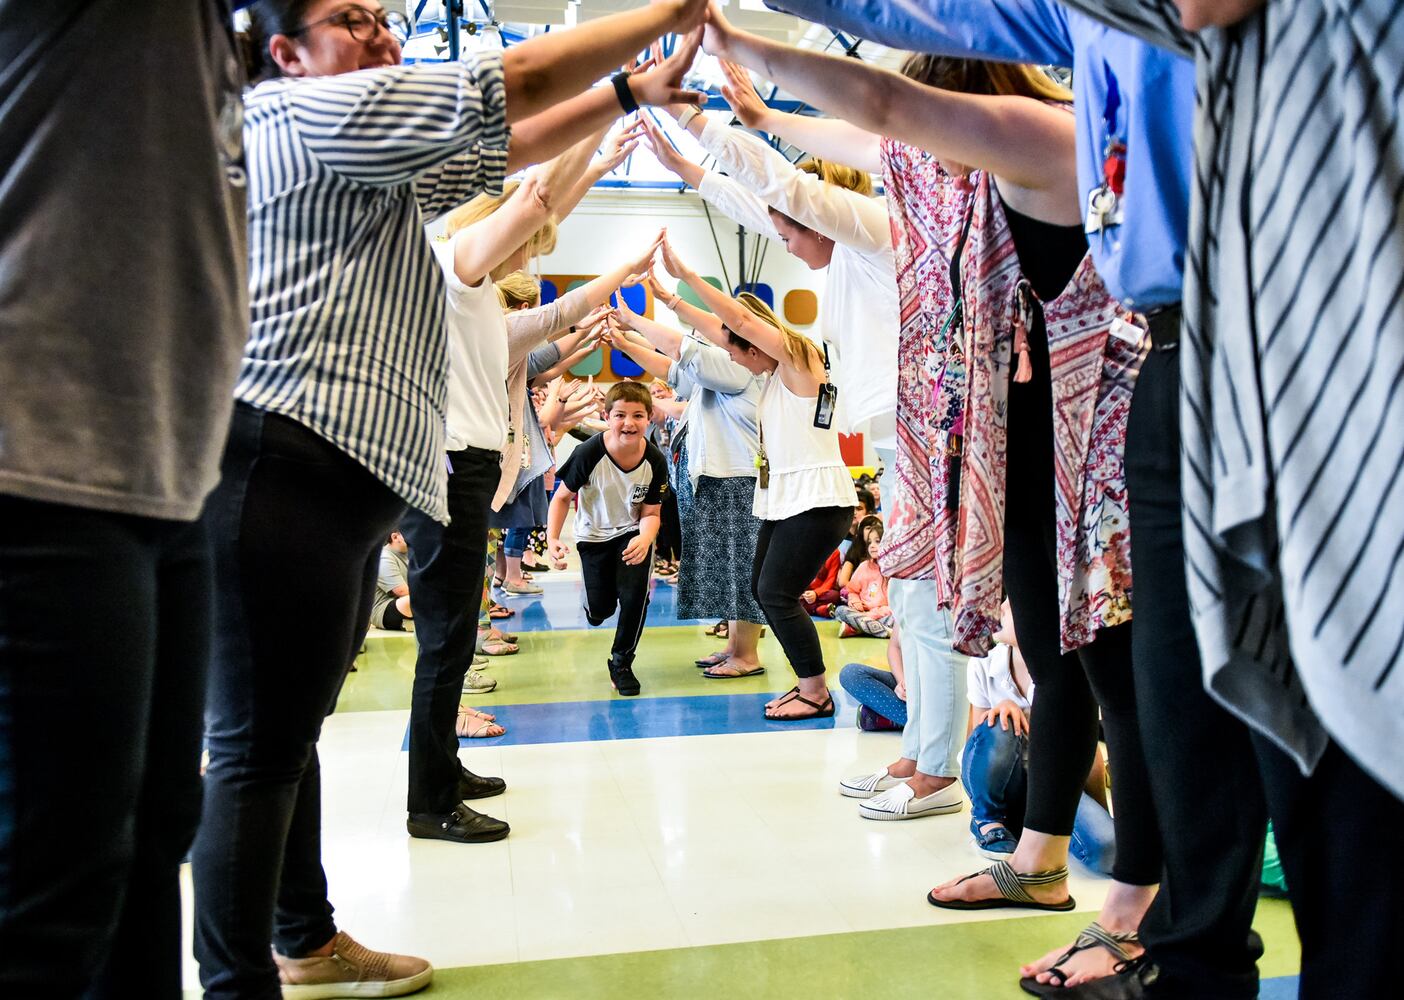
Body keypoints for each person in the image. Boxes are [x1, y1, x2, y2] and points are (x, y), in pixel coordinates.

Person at [195, 1, 709, 996]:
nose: (383, 33)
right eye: (353, 19)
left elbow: (507, 145)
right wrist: (665, 21)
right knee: (256, 753)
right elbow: (508, 89)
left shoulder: (365, 161)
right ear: (285, 52)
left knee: (282, 741)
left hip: (332, 485)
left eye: (387, 18)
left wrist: (627, 99)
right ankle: (239, 977)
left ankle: (304, 938)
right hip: (281, 469)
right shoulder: (309, 118)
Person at [702, 10, 1162, 989]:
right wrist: (753, 118)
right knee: (1049, 646)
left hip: (1105, 443)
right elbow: (871, 132)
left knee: (1123, 676)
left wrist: (739, 46)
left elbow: (878, 111)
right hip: (1032, 437)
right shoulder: (974, 178)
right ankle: (1039, 863)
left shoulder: (1047, 140)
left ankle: (1139, 904)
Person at [0, 3, 245, 995]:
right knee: (53, 881)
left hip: (163, 470)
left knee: (152, 837)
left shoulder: (206, 50)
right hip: (41, 459)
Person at [656, 236, 857, 720]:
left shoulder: (799, 359)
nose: (737, 360)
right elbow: (730, 332)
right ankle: (807, 682)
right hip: (788, 500)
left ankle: (815, 689)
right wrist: (670, 301)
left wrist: (687, 274)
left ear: (760, 341)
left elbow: (742, 324)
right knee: (761, 587)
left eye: (743, 353)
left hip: (818, 501)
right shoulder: (771, 375)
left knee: (774, 593)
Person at [608, 282, 767, 680]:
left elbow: (681, 351)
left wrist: (633, 321)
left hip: (737, 479)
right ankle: (734, 646)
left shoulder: (738, 365)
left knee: (740, 567)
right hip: (718, 480)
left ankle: (747, 654)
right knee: (728, 568)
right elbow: (672, 368)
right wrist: (623, 342)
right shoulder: (722, 370)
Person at [963, 602, 1116, 881]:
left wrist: (1097, 813)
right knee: (1000, 722)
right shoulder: (984, 660)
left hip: (1052, 784)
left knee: (1109, 851)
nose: (1000, 612)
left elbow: (1086, 749)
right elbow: (976, 742)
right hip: (1002, 782)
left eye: (1010, 609)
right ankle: (987, 820)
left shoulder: (1071, 671)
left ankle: (1031, 825)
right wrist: (1003, 710)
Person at [547, 381, 670, 697]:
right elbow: (561, 498)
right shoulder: (588, 453)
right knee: (599, 611)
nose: (628, 423)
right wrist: (552, 539)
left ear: (649, 417)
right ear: (606, 416)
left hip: (631, 534)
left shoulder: (655, 460)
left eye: (638, 415)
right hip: (592, 538)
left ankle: (622, 662)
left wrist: (645, 539)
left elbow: (652, 512)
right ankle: (595, 606)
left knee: (635, 597)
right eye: (620, 415)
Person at [834, 518, 895, 640]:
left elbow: (894, 606)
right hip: (862, 612)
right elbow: (852, 590)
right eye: (869, 543)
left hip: (883, 614)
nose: (872, 546)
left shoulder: (893, 570)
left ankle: (855, 628)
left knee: (896, 617)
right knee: (840, 611)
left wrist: (871, 615)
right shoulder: (864, 566)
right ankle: (880, 630)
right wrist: (855, 601)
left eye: (877, 541)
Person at [369, 531, 414, 632]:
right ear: (395, 537)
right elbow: (401, 591)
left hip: (409, 602)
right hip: (384, 609)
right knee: (414, 600)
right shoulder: (383, 557)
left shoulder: (412, 554)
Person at [801, 547, 842, 617]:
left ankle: (812, 609)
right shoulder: (803, 547)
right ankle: (819, 610)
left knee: (835, 596)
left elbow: (831, 580)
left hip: (821, 594)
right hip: (803, 592)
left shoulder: (835, 552)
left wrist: (816, 593)